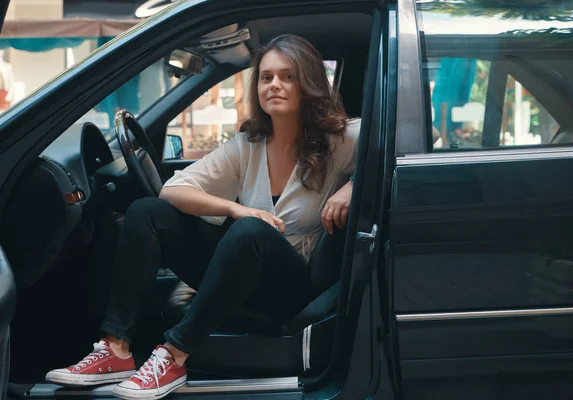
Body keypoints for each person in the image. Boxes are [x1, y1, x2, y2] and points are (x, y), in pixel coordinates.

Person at [46, 34, 360, 400]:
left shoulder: (340, 139)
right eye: (266, 76)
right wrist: (235, 207)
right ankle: (114, 350)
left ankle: (173, 355)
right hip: (242, 270)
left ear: (307, 83)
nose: (274, 84)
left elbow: (400, 144)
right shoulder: (247, 146)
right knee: (148, 211)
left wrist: (351, 187)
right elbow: (172, 190)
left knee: (249, 232)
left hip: (291, 286)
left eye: (288, 76)